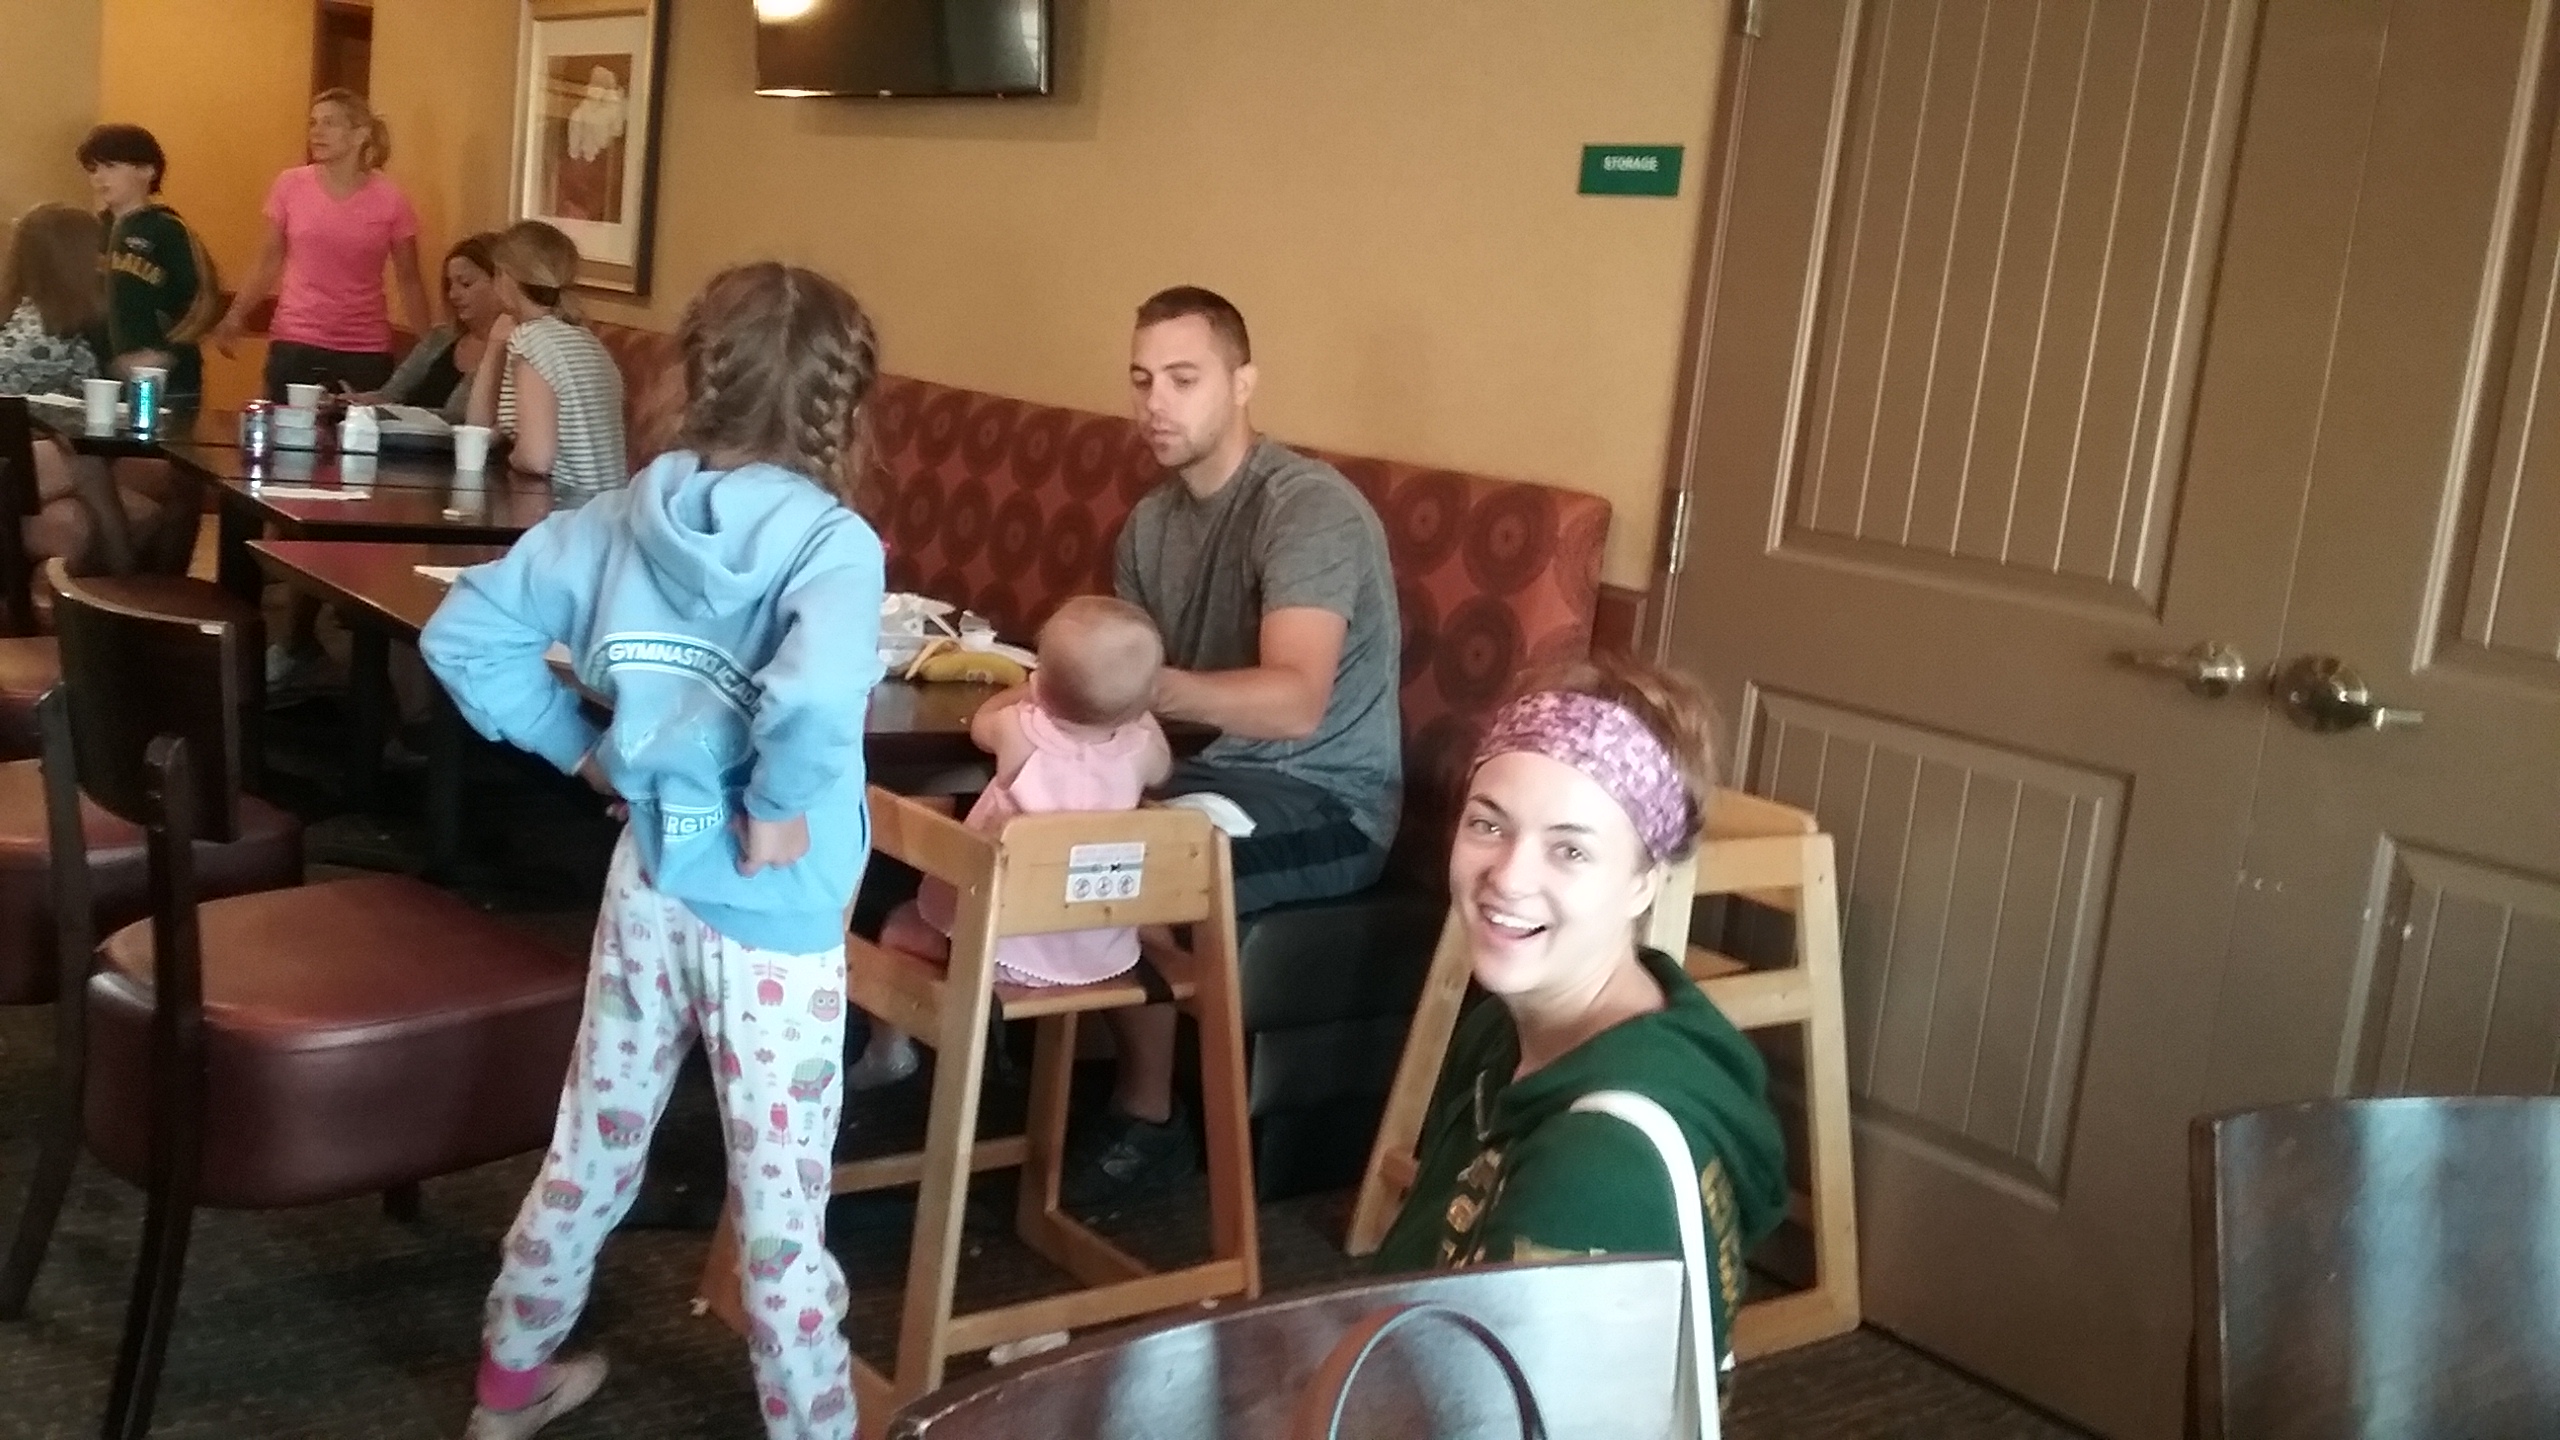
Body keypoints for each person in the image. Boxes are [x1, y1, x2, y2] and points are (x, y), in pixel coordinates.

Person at [419, 262, 884, 1440]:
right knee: (779, 1219)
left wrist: (580, 753)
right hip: (774, 917)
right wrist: (777, 800)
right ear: (842, 406)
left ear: (694, 375)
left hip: (649, 885)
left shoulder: (621, 517)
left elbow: (465, 636)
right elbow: (817, 692)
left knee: (593, 1146)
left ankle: (508, 1387)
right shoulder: (833, 545)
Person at [1066, 285, 1403, 1205]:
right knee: (1046, 819)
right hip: (1211, 776)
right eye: (1142, 381)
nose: (1155, 404)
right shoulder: (1150, 525)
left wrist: (1143, 687)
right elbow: (1138, 704)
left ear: (1243, 384)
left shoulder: (1307, 509)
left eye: (1184, 379)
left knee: (1127, 859)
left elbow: (1296, 704)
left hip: (1326, 799)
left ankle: (1149, 1120)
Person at [1372, 656, 1790, 1372]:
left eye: (1570, 849)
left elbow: (1510, 1406)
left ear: (1642, 883)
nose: (1509, 876)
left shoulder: (1599, 1165)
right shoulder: (1501, 1034)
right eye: (1488, 824)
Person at [851, 595, 1174, 1090]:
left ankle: (890, 1052)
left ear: (1041, 680)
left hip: (997, 945)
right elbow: (1164, 767)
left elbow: (982, 724)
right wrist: (1140, 716)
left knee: (900, 928)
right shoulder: (1140, 752)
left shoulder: (1022, 732)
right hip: (1094, 946)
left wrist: (1024, 691)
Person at [212, 87, 430, 398]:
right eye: (313, 123)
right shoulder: (290, 185)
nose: (317, 132)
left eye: (330, 123)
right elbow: (268, 260)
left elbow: (410, 280)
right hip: (297, 340)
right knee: (287, 426)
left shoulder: (391, 199)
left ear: (360, 135)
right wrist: (236, 315)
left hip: (364, 349)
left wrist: (428, 348)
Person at [0, 202, 176, 574]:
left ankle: (82, 590)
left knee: (139, 504)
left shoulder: (28, 315)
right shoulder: (42, 333)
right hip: (13, 463)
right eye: (98, 251)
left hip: (27, 458)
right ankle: (128, 576)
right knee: (83, 457)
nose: (105, 261)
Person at [465, 219, 628, 502]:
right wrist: (495, 347)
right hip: (607, 509)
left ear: (506, 277)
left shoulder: (532, 340)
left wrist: (511, 461)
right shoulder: (585, 340)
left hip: (566, 511)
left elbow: (536, 458)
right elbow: (479, 433)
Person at [78, 122, 219, 404]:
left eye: (111, 166)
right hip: (105, 381)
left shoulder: (169, 229)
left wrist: (165, 353)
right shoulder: (90, 231)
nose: (100, 178)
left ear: (147, 170)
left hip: (168, 381)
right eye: (94, 169)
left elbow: (204, 300)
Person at [352, 231, 502, 419]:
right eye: (449, 285)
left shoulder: (512, 349)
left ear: (501, 284)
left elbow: (458, 418)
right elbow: (388, 395)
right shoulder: (439, 338)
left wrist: (397, 414)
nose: (453, 295)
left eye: (465, 284)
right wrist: (351, 402)